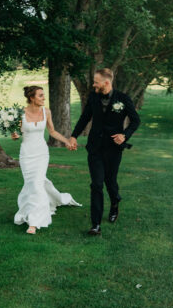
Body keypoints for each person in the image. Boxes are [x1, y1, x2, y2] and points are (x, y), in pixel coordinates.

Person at [68, 68, 141, 236]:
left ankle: (115, 202)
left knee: (110, 182)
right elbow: (85, 118)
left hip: (114, 149)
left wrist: (124, 135)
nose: (93, 84)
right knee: (97, 184)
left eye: (96, 81)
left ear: (106, 82)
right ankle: (96, 224)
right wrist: (73, 136)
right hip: (94, 148)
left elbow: (136, 121)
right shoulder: (93, 97)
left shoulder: (123, 99)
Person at [12, 85, 81, 234]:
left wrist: (67, 141)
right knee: (32, 184)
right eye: (40, 96)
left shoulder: (46, 111)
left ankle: (34, 222)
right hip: (26, 154)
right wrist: (15, 135)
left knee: (36, 185)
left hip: (41, 153)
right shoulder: (20, 113)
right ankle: (57, 199)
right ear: (31, 98)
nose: (44, 98)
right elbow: (16, 132)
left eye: (43, 95)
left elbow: (52, 131)